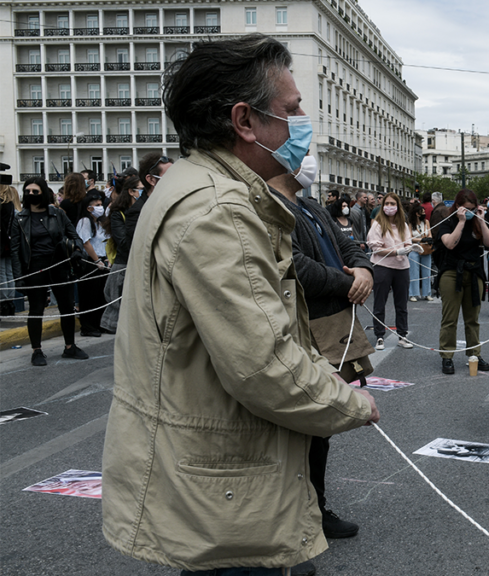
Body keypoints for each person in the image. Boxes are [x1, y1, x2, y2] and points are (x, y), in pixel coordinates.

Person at [101, 34, 379, 576]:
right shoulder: (219, 209)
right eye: (292, 108)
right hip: (227, 481)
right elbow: (262, 364)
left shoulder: (200, 185)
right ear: (245, 121)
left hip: (219, 469)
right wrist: (349, 405)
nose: (303, 120)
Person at [267, 158, 375, 545]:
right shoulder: (269, 205)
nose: (306, 162)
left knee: (319, 429)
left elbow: (347, 245)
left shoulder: (310, 206)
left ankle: (315, 508)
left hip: (332, 325)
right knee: (300, 427)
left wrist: (363, 270)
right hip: (303, 326)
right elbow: (294, 266)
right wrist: (346, 283)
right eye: (298, 155)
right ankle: (295, 521)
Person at [9, 177, 90, 366]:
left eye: (35, 191)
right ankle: (36, 351)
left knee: (66, 307)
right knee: (36, 309)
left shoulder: (58, 214)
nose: (30, 195)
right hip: (34, 267)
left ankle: (70, 346)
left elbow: (74, 236)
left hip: (59, 265)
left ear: (43, 193)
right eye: (27, 191)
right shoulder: (19, 219)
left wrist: (77, 250)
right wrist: (19, 278)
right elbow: (15, 251)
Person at [435, 188, 489, 374]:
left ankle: (474, 354)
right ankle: (447, 356)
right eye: (466, 209)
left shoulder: (477, 221)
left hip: (474, 272)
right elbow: (449, 243)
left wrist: (482, 220)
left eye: (472, 208)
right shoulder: (449, 221)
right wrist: (460, 222)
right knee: (450, 318)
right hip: (452, 272)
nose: (469, 212)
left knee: (472, 318)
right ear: (458, 207)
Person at [368, 192, 419, 350]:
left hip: (402, 268)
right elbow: (375, 248)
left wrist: (410, 248)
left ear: (398, 207)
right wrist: (397, 252)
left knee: (401, 304)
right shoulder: (377, 225)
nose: (389, 207)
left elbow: (407, 244)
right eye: (387, 204)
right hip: (382, 267)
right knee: (379, 303)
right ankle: (379, 336)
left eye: (392, 204)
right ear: (382, 206)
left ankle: (402, 336)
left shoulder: (403, 225)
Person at [97, 178, 137, 334]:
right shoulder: (118, 213)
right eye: (139, 189)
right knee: (116, 302)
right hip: (124, 264)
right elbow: (123, 242)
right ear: (131, 191)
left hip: (140, 263)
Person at [75, 192, 110, 337]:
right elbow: (86, 242)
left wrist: (106, 258)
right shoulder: (85, 221)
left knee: (101, 295)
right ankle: (88, 326)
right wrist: (96, 260)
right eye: (97, 205)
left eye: (101, 205)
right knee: (89, 296)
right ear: (89, 208)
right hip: (91, 262)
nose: (100, 208)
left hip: (103, 260)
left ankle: (99, 324)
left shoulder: (100, 222)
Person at [1, 184, 22, 316]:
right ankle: (8, 301)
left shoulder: (3, 206)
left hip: (3, 244)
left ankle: (3, 301)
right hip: (9, 243)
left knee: (3, 273)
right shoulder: (11, 207)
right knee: (8, 272)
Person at [408, 199, 433, 302]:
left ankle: (427, 293)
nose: (424, 213)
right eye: (422, 212)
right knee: (414, 271)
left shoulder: (426, 222)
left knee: (427, 271)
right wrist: (420, 239)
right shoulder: (410, 223)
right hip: (414, 248)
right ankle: (413, 294)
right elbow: (409, 237)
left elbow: (430, 234)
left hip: (426, 248)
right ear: (417, 214)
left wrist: (427, 239)